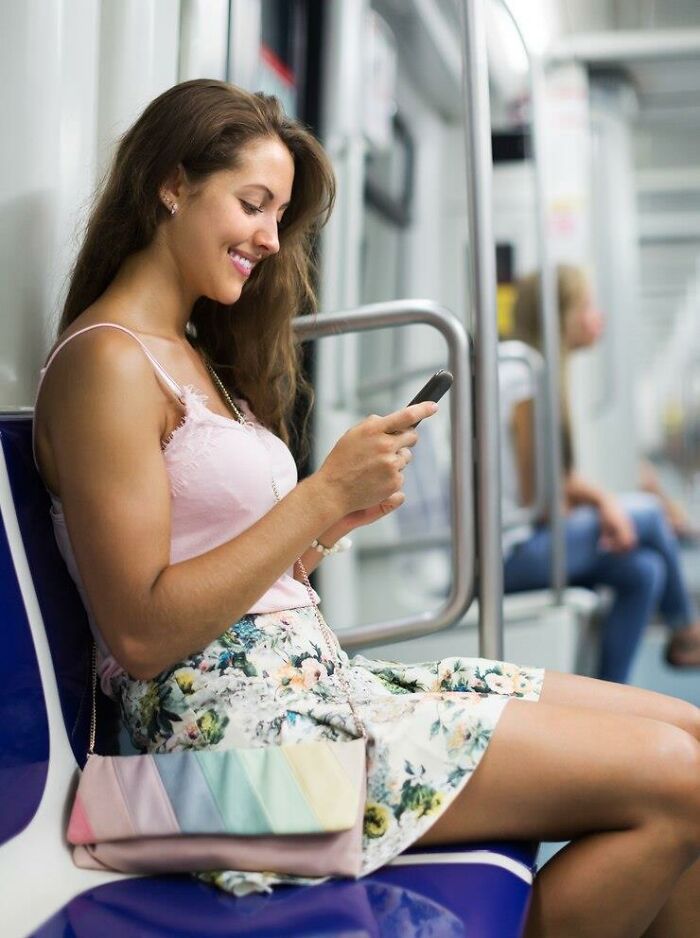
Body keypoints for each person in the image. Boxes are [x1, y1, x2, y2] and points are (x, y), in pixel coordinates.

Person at [32, 80, 700, 936]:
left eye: (278, 216)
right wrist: (318, 497)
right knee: (677, 778)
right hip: (235, 760)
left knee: (686, 728)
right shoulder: (109, 365)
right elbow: (143, 632)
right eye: (253, 205)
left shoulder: (190, 354)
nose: (269, 240)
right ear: (170, 184)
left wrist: (327, 528)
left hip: (315, 693)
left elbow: (229, 575)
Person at [502, 265, 700, 681]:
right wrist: (603, 505)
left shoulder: (542, 376)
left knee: (644, 571)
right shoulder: (524, 379)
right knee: (644, 514)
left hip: (529, 544)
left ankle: (613, 690)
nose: (598, 317)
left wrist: (595, 511)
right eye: (587, 306)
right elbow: (538, 491)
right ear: (560, 317)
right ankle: (686, 631)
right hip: (510, 555)